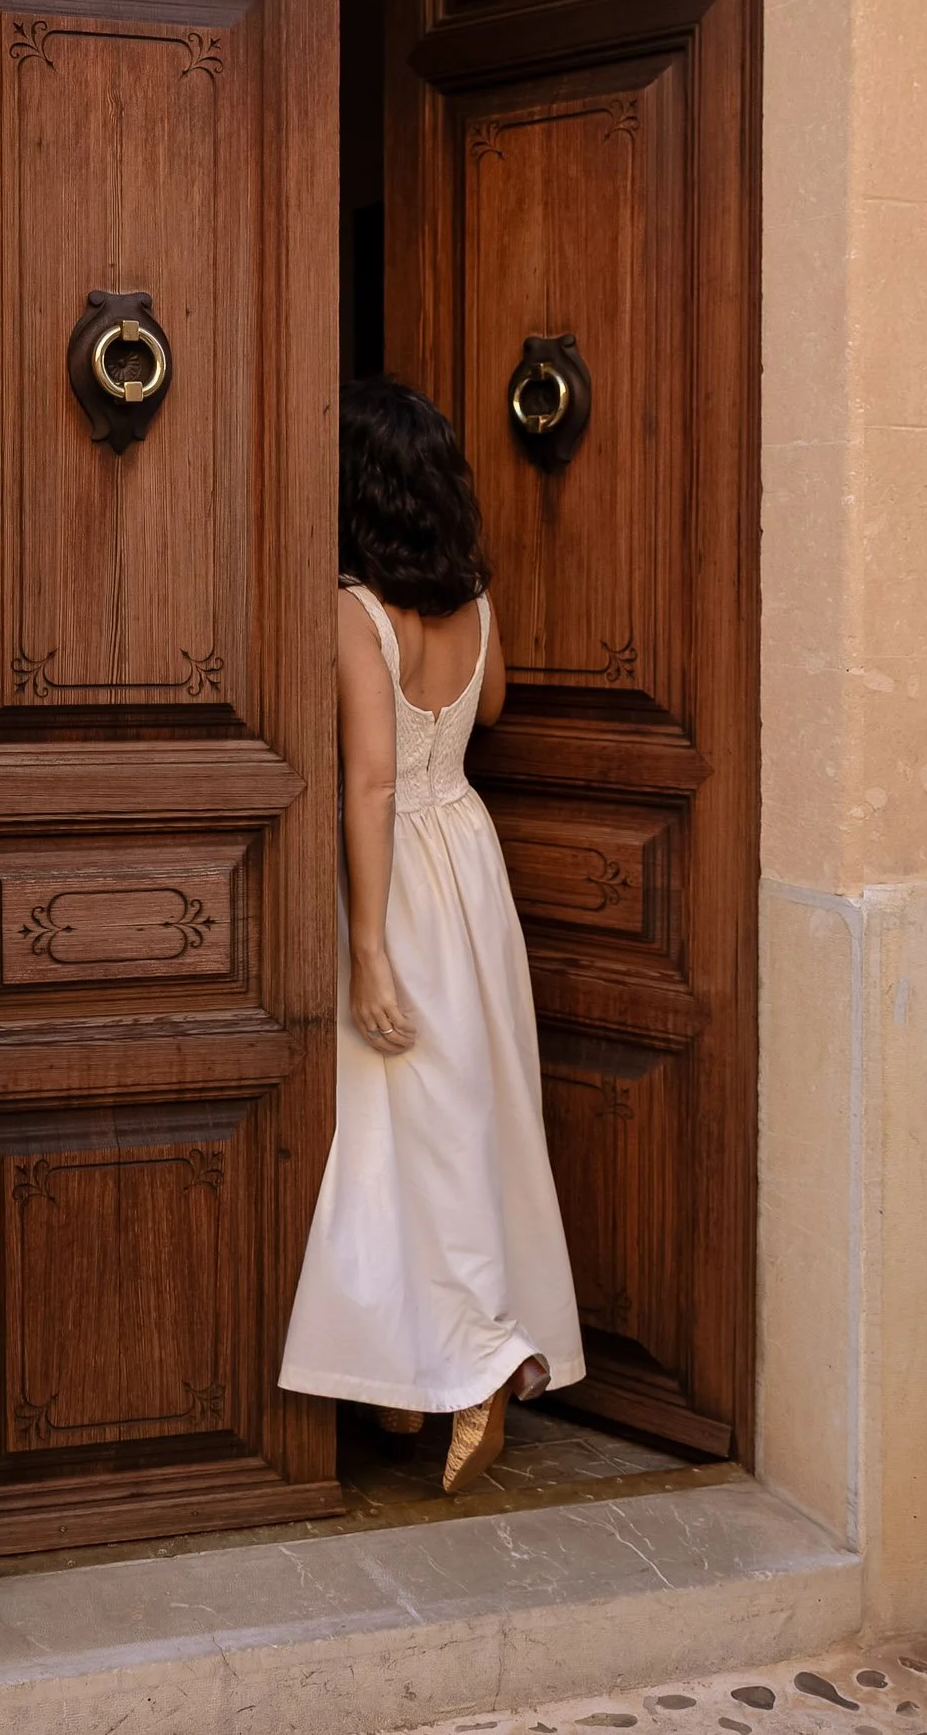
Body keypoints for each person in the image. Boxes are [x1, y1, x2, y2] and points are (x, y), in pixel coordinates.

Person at [279, 376, 585, 1493]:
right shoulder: (475, 604)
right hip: (469, 854)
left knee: (397, 1133)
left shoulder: (352, 610)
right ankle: (419, 1375)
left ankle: (468, 1368)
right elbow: (489, 711)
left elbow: (366, 784)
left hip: (399, 870)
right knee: (473, 1116)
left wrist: (365, 951)